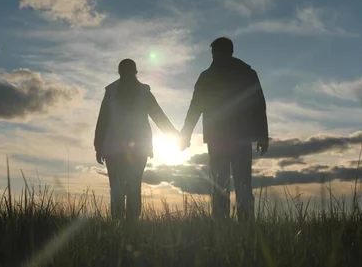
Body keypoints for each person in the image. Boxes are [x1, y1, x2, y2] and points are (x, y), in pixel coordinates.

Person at [180, 37, 268, 221]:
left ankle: (223, 222)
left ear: (218, 53)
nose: (213, 57)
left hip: (219, 137)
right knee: (240, 181)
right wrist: (262, 135)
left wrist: (186, 134)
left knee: (221, 181)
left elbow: (195, 107)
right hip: (238, 136)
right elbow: (259, 106)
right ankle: (243, 222)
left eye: (214, 53)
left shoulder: (209, 76)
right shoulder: (246, 73)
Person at [94, 59, 178, 222]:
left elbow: (102, 121)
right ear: (135, 72)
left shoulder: (112, 91)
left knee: (117, 189)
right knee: (132, 187)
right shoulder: (142, 92)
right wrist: (175, 135)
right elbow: (159, 116)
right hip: (136, 150)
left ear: (119, 72)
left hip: (114, 149)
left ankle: (118, 226)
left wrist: (99, 146)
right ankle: (130, 226)